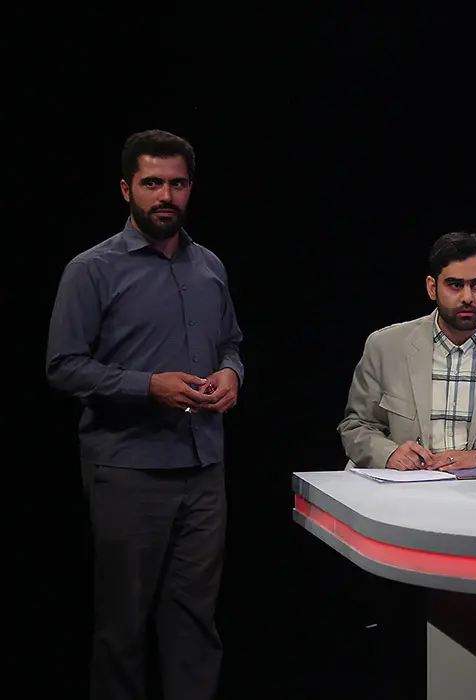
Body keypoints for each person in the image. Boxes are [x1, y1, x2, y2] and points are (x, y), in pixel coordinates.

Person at [46, 129, 243, 700]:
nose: (165, 195)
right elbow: (63, 366)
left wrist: (232, 374)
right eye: (152, 183)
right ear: (126, 189)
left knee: (196, 621)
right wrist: (146, 386)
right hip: (129, 469)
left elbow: (230, 342)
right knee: (123, 625)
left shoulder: (210, 266)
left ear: (190, 188)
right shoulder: (92, 269)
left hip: (204, 469)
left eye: (176, 184)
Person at [337, 232, 476, 471]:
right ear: (432, 288)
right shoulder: (385, 347)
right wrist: (390, 454)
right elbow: (356, 426)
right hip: (405, 487)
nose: (468, 297)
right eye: (455, 285)